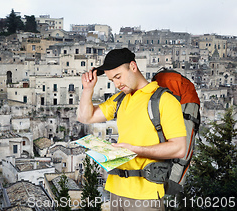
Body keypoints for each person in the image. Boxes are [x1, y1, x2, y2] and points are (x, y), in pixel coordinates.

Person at [77, 48, 187, 211]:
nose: (117, 84)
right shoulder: (120, 99)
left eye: (118, 77)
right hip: (116, 190)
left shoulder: (165, 100)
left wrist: (134, 150)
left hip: (145, 194)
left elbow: (179, 148)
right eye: (112, 80)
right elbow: (85, 117)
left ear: (133, 67)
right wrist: (88, 89)